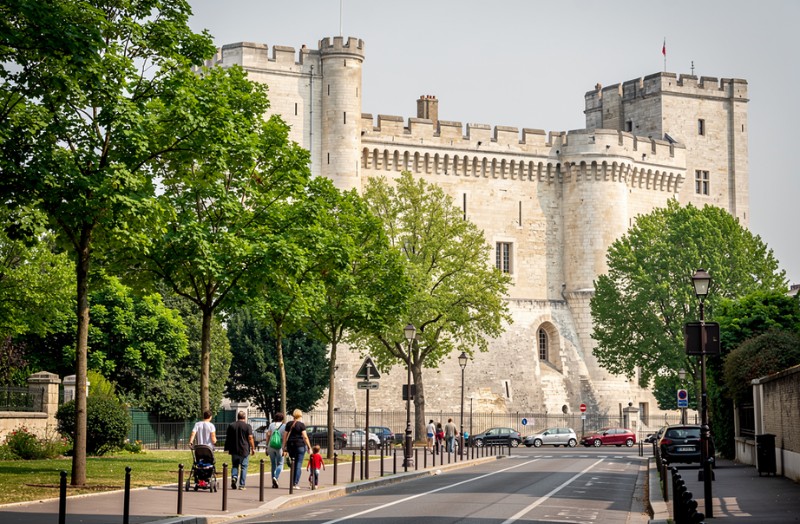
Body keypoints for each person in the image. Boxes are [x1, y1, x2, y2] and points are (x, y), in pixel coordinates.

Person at [225, 411, 255, 490]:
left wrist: (227, 448)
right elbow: (250, 438)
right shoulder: (247, 426)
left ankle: (234, 477)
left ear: (237, 417)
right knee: (244, 467)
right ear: (245, 417)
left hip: (234, 449)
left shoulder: (231, 425)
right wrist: (253, 448)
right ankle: (242, 485)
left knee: (235, 465)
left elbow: (228, 437)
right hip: (244, 449)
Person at [282, 408, 312, 490]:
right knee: (298, 465)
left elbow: (285, 436)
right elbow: (305, 437)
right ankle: (295, 483)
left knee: (293, 464)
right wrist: (309, 447)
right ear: (300, 415)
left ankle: (292, 482)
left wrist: (284, 446)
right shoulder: (301, 425)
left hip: (290, 446)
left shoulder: (288, 424)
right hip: (300, 446)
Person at [266, 412, 286, 489]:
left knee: (273, 464)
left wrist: (266, 446)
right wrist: (284, 448)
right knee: (280, 464)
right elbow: (284, 437)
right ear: (282, 419)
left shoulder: (271, 425)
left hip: (271, 446)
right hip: (279, 447)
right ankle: (276, 477)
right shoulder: (284, 426)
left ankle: (273, 482)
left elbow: (268, 435)